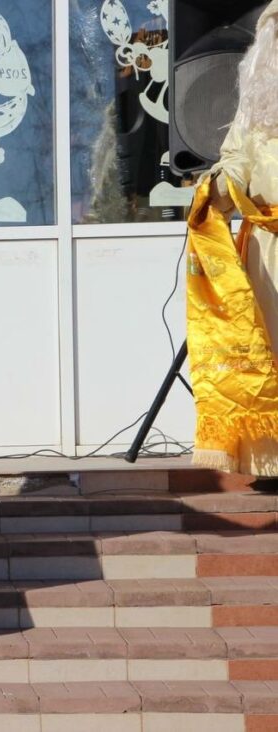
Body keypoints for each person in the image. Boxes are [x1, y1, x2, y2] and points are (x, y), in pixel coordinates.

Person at [190, 1, 278, 482]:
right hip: (269, 249)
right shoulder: (257, 115)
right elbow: (235, 164)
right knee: (268, 353)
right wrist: (214, 191)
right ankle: (273, 461)